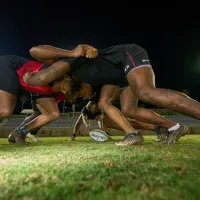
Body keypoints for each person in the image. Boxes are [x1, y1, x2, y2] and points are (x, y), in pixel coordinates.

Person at [25, 44, 194, 145]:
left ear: (64, 76)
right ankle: (171, 128)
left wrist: (29, 79)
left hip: (127, 56)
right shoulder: (84, 83)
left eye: (61, 87)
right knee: (125, 109)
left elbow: (34, 52)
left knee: (145, 92)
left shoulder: (66, 63)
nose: (64, 91)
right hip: (119, 77)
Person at [1, 44, 98, 144]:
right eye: (85, 92)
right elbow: (34, 50)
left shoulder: (63, 91)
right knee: (5, 111)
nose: (83, 96)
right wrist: (72, 53)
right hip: (11, 67)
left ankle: (19, 132)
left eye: (84, 97)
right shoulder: (55, 69)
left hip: (24, 85)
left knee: (53, 114)